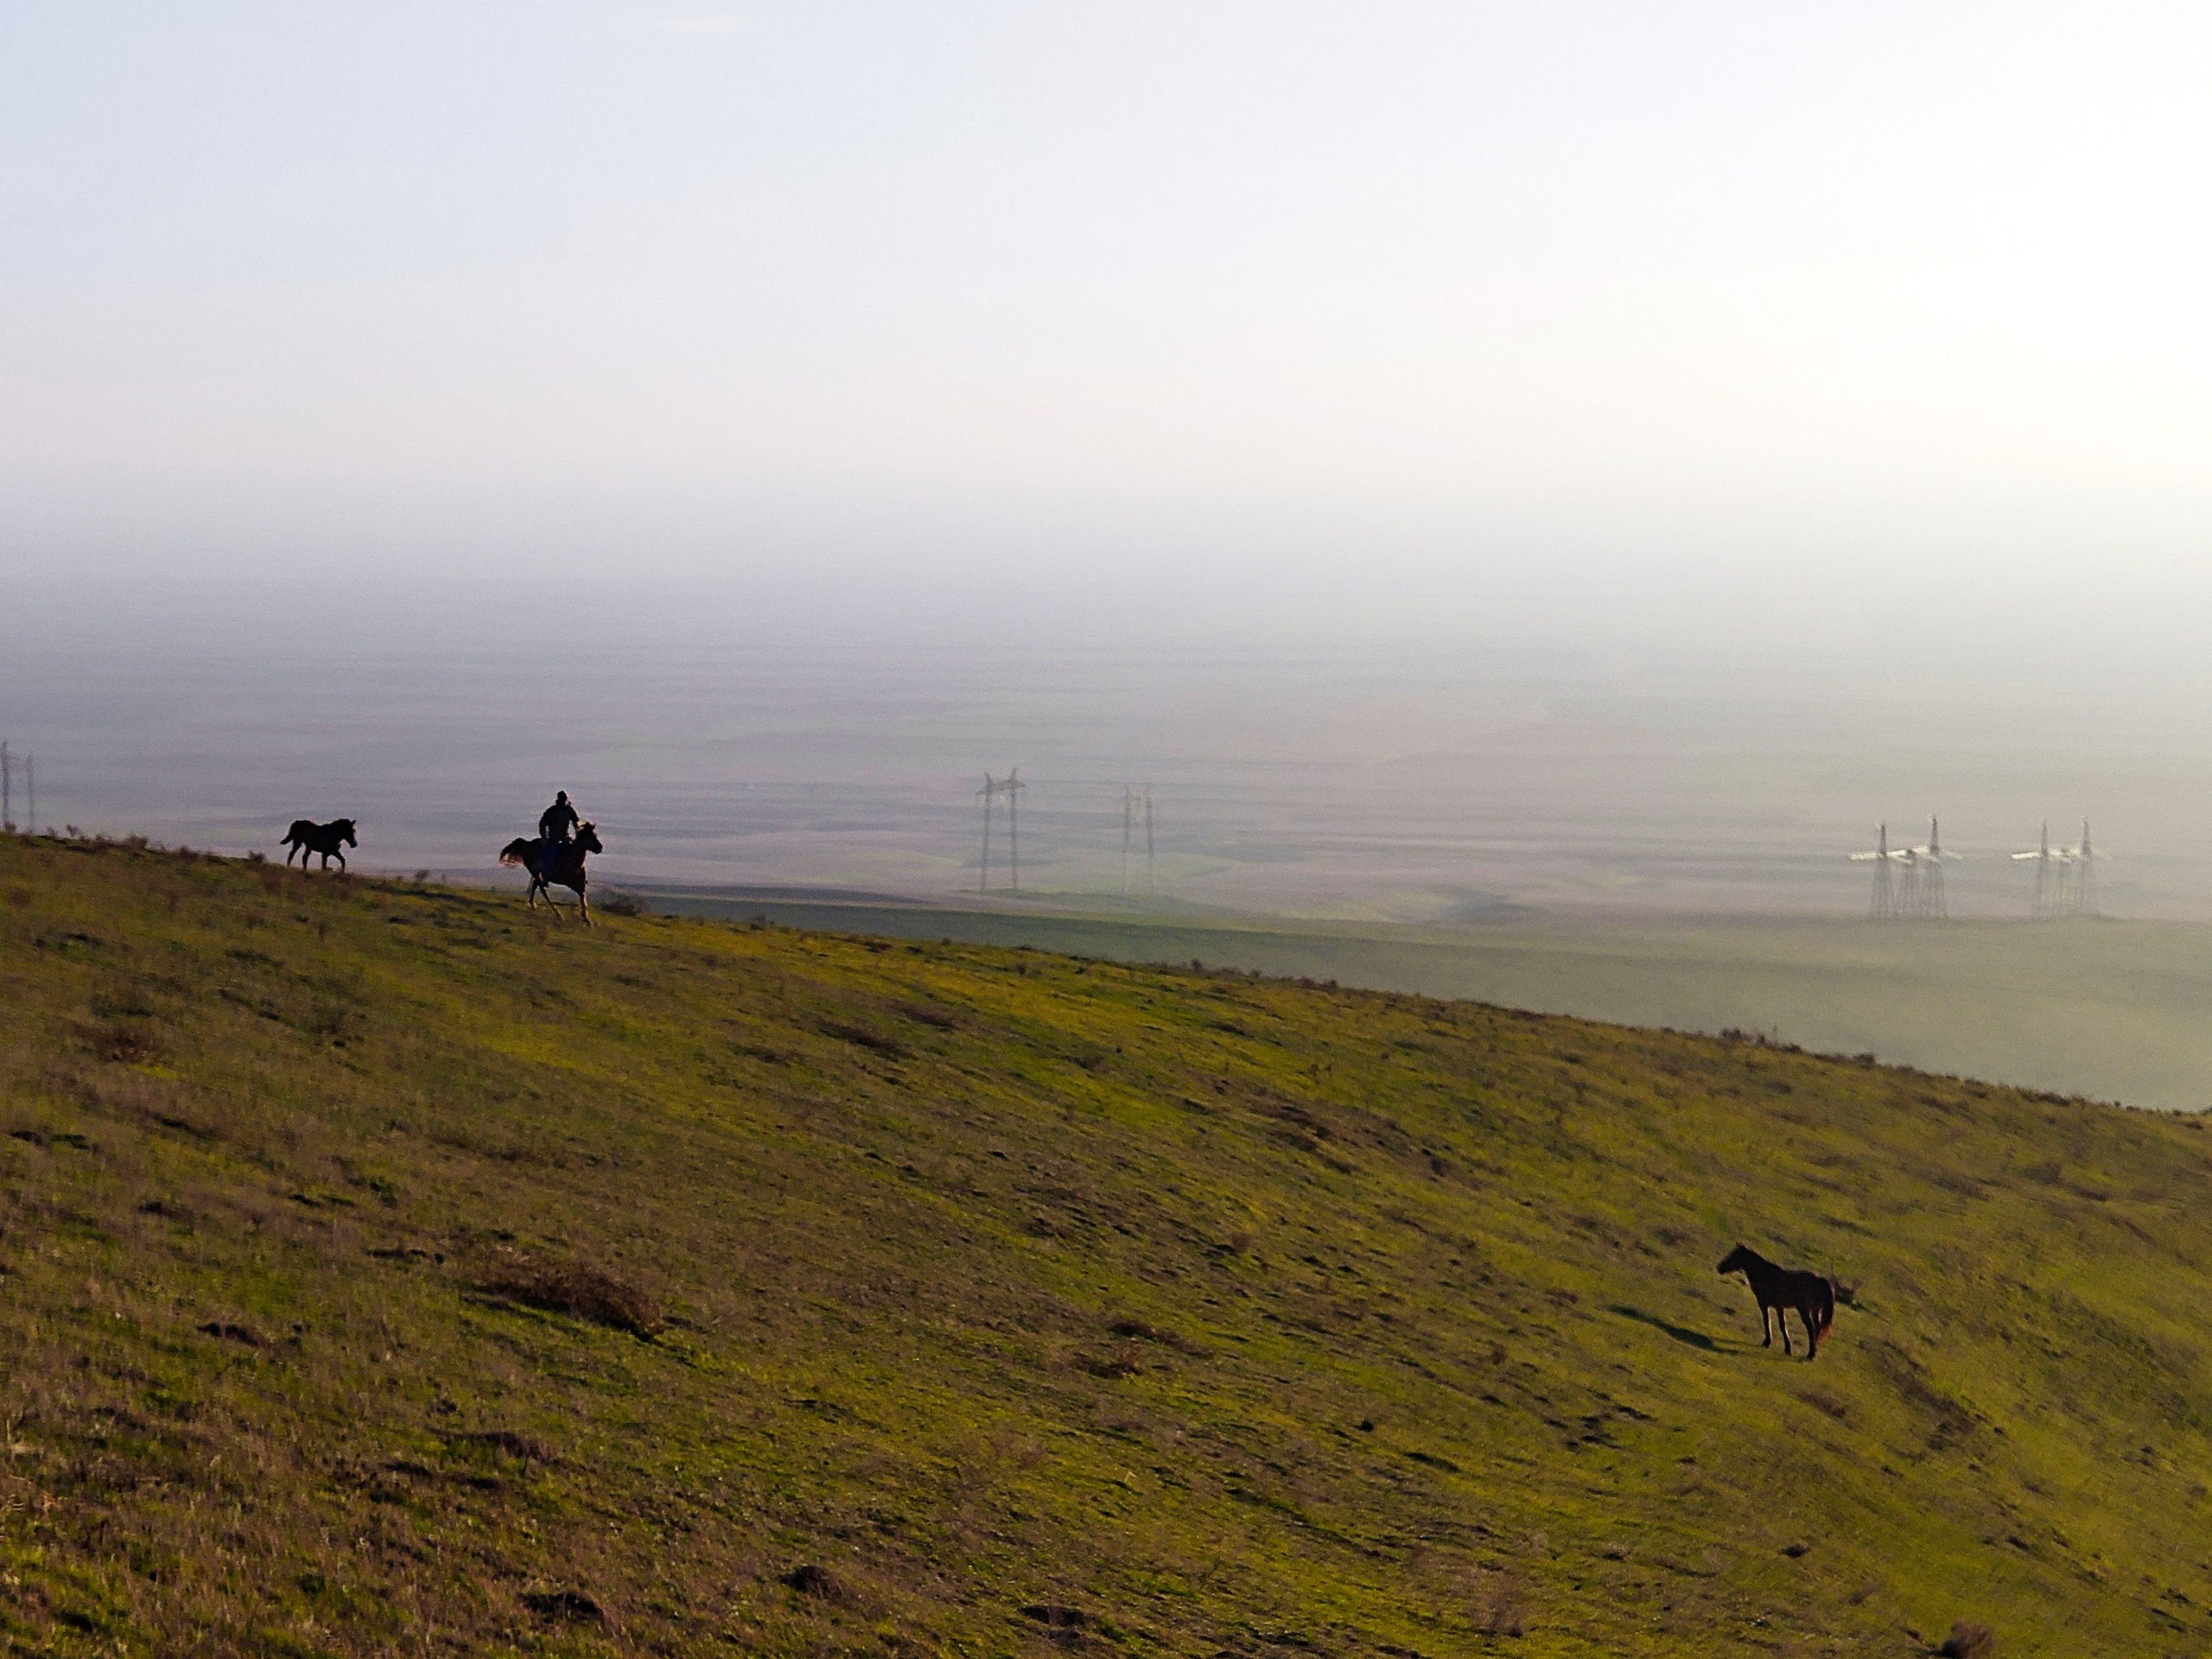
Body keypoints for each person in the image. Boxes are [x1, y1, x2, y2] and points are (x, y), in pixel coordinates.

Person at [538, 791, 580, 855]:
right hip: (553, 839)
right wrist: (544, 837)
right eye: (562, 799)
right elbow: (542, 824)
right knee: (550, 855)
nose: (563, 801)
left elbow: (576, 823)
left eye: (564, 799)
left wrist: (578, 836)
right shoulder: (552, 811)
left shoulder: (569, 810)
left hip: (565, 838)